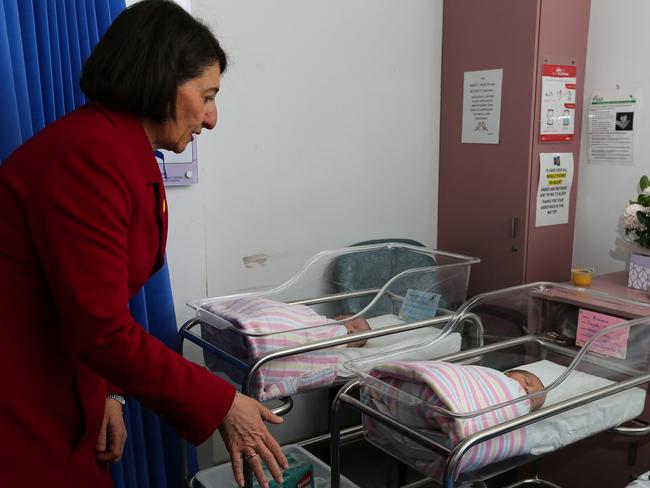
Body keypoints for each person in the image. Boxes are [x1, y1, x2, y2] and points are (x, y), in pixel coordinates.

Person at [0, 2, 287, 487]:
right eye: (207, 95)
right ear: (161, 82)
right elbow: (102, 328)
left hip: (70, 386)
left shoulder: (121, 150)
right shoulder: (88, 158)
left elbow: (95, 295)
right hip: (24, 401)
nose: (213, 118)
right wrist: (222, 404)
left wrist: (111, 393)